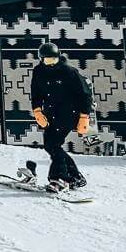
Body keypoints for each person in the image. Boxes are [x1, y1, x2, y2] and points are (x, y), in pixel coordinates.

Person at [29, 42, 92, 191]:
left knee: (53, 144)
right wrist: (37, 111)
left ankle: (60, 178)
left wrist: (84, 116)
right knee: (50, 145)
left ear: (59, 57)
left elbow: (85, 95)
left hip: (69, 113)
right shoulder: (38, 71)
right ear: (41, 59)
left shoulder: (69, 72)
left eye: (53, 60)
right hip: (50, 113)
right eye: (46, 60)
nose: (50, 63)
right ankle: (75, 176)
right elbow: (36, 93)